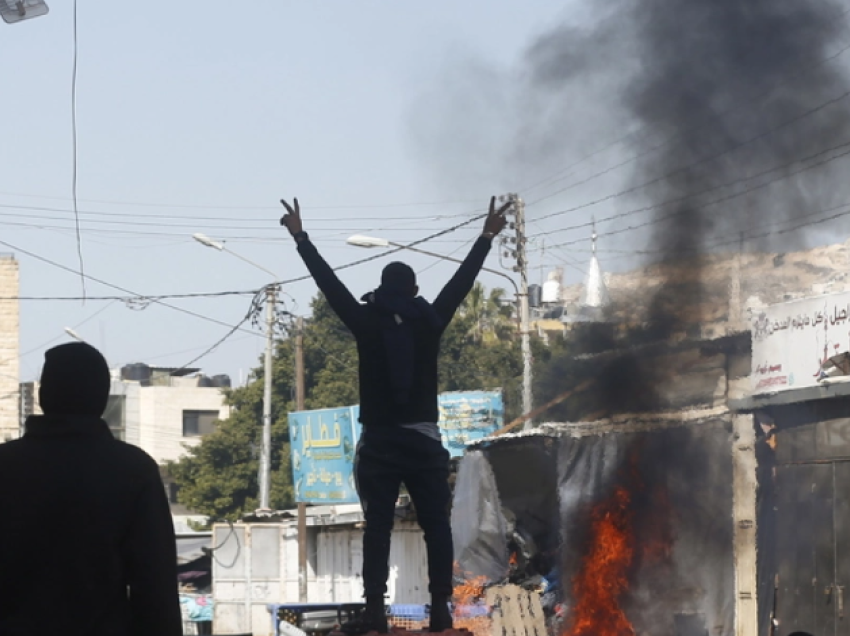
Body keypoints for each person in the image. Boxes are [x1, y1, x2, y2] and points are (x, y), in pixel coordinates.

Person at [280, 196, 510, 634]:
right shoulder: (430, 321)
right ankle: (441, 607)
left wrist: (300, 236)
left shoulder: (366, 322)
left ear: (383, 291)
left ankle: (373, 610)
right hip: (424, 442)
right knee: (435, 527)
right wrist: (486, 236)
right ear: (415, 292)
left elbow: (330, 287)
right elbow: (461, 284)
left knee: (378, 529)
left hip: (380, 445)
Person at [0, 342, 183, 636]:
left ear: (43, 394)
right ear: (101, 398)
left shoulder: (6, 466)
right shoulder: (132, 470)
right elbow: (154, 588)